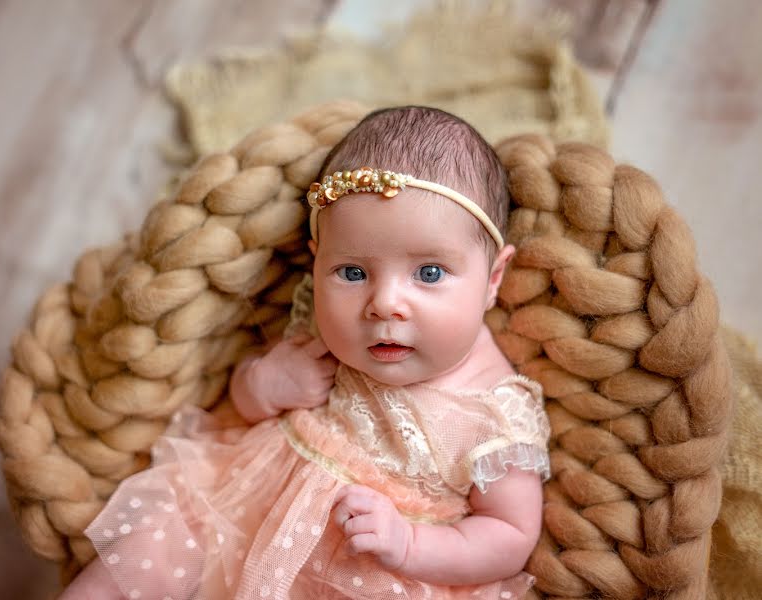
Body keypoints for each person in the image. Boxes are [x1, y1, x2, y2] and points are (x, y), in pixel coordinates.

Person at [60, 106, 551, 600]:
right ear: (317, 262)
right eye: (353, 273)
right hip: (234, 509)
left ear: (492, 280)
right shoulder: (317, 332)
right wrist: (263, 385)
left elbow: (509, 535)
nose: (384, 304)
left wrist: (410, 543)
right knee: (136, 564)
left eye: (428, 273)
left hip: (366, 575)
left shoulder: (494, 413)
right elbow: (239, 409)